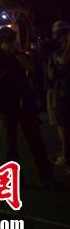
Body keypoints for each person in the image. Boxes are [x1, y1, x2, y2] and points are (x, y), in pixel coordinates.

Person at [0, 27, 61, 188]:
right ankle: (16, 178)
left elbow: (31, 67)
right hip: (6, 102)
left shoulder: (18, 55)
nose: (12, 42)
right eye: (9, 39)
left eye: (13, 39)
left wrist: (16, 53)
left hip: (24, 101)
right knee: (11, 144)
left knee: (35, 141)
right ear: (3, 40)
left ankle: (45, 176)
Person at [50, 21, 70, 169]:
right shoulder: (56, 52)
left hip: (64, 92)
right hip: (63, 92)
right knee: (63, 124)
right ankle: (65, 153)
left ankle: (65, 154)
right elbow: (62, 61)